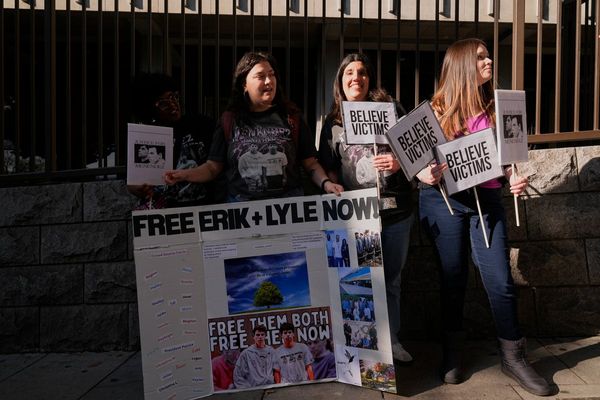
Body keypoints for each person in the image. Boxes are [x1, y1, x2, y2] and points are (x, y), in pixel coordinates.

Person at [416, 38, 552, 396]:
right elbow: (414, 161)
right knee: (452, 277)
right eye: (480, 57)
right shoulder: (434, 110)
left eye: (488, 55)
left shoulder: (498, 107)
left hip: (487, 201)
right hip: (444, 200)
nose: (489, 61)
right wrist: (422, 175)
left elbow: (508, 160)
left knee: (500, 280)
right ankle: (452, 352)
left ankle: (514, 356)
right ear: (462, 65)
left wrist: (514, 177)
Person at [318, 53, 414, 362]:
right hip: (357, 216)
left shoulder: (391, 109)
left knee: (392, 279)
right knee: (359, 279)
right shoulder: (332, 123)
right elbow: (329, 167)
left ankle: (393, 339)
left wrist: (398, 162)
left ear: (369, 78)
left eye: (361, 72)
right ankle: (362, 346)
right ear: (340, 81)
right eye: (349, 73)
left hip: (396, 210)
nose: (355, 78)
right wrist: (335, 188)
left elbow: (415, 150)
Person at [164, 51, 343, 201]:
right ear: (244, 84)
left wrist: (326, 183)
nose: (268, 81)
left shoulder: (292, 118)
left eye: (272, 75)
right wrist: (184, 175)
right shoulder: (229, 120)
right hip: (241, 215)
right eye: (260, 76)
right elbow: (212, 168)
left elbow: (311, 164)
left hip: (288, 213)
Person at [127, 73, 219, 209]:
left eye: (174, 97)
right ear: (149, 107)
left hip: (203, 207)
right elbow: (132, 182)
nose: (173, 105)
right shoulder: (144, 134)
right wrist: (139, 188)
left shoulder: (202, 125)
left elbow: (216, 165)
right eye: (164, 103)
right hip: (163, 211)